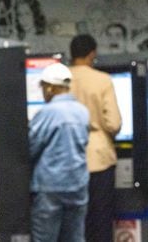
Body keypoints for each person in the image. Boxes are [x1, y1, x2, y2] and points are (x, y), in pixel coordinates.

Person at [69, 34, 122, 242]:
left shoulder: (60, 79)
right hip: (98, 159)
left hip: (68, 157)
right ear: (92, 54)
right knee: (100, 220)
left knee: (73, 221)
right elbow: (114, 123)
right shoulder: (102, 80)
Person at [29, 63, 90, 242]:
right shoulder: (82, 112)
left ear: (49, 88)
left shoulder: (48, 113)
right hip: (78, 185)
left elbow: (31, 146)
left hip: (50, 188)